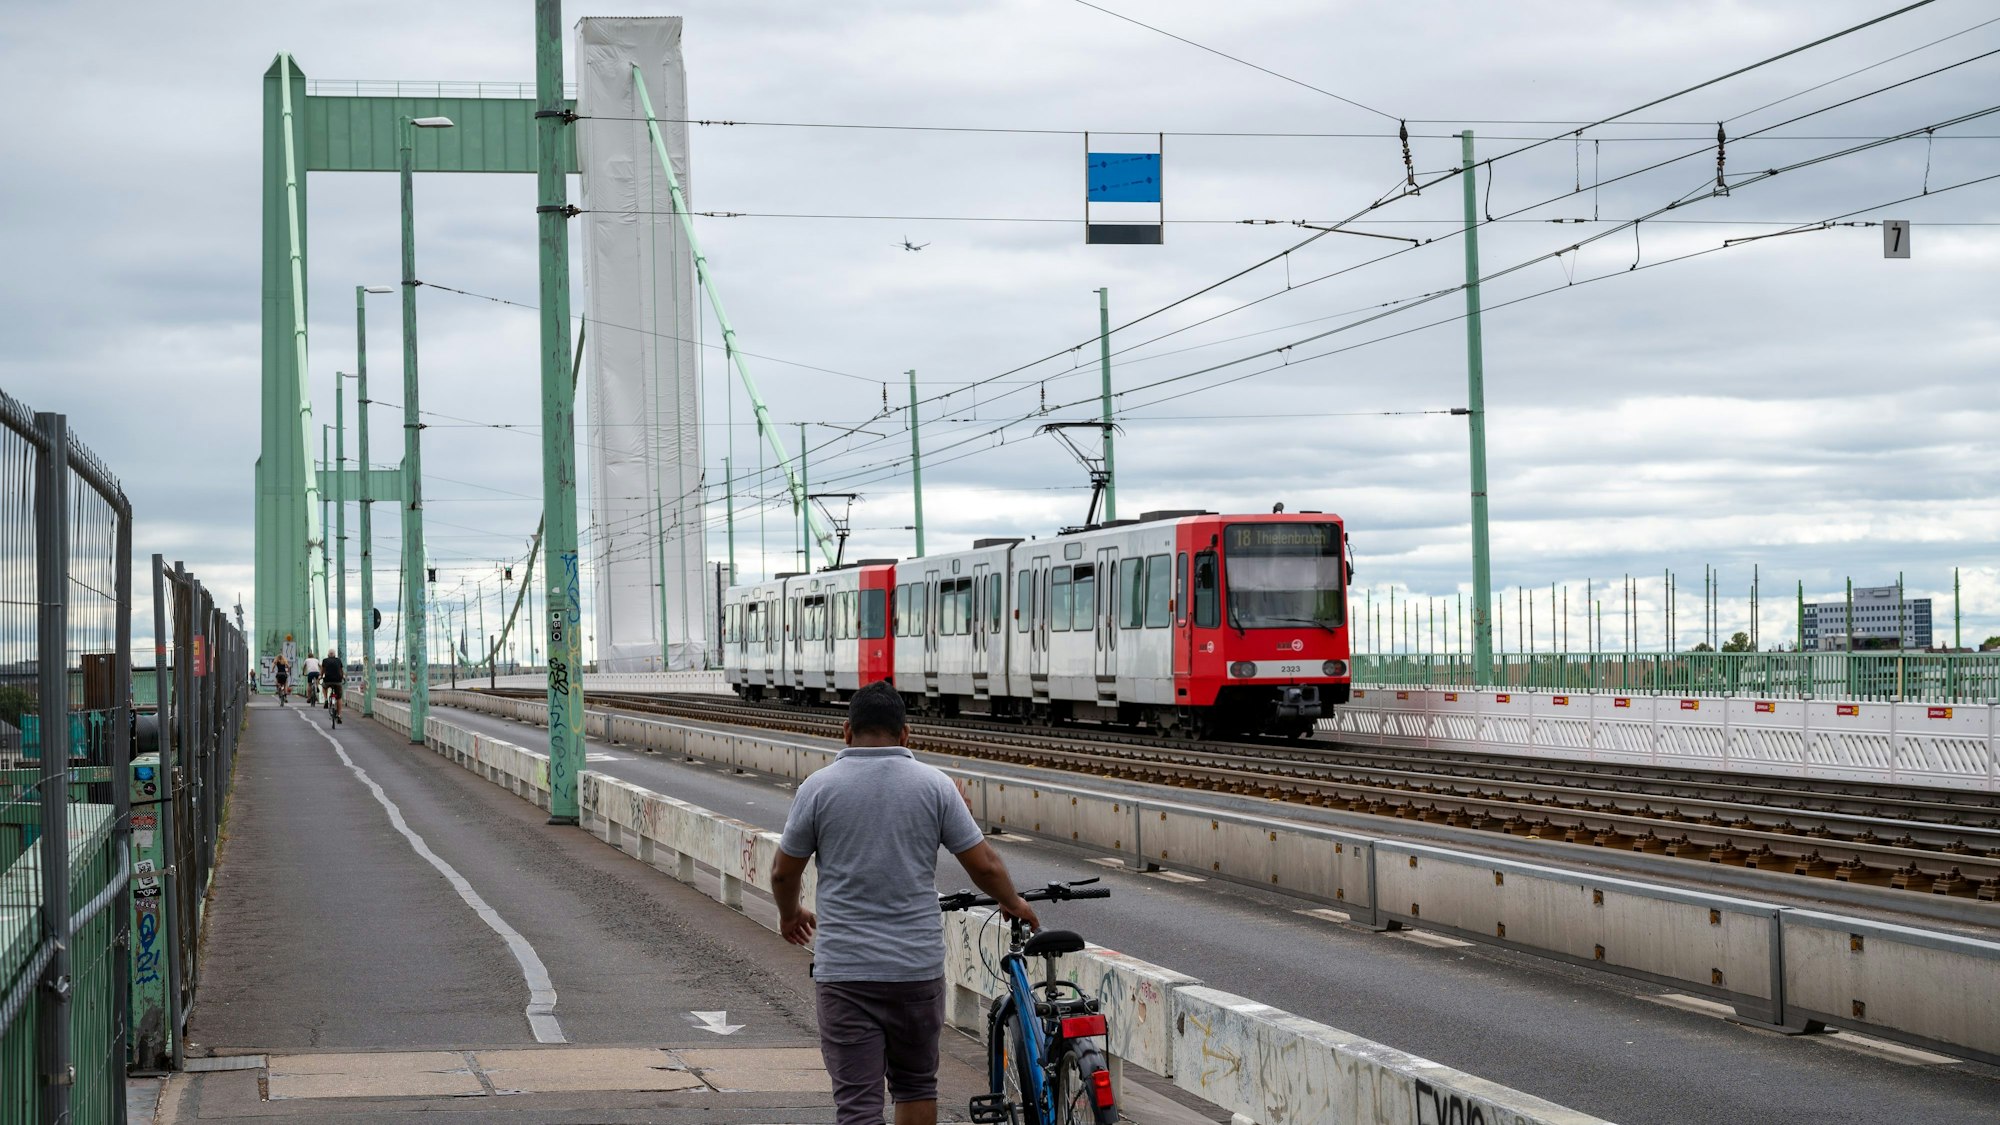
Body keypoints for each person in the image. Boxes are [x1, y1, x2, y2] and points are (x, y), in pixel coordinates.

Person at [772, 681, 1038, 1125]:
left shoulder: (817, 789)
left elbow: (784, 872)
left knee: (858, 1105)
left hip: (846, 973)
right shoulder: (935, 786)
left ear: (846, 732)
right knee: (916, 1087)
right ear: (905, 735)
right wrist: (1011, 901)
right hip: (916, 968)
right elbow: (985, 864)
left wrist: (789, 914)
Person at [321, 649, 345, 725]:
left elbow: (323, 671)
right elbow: (341, 671)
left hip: (328, 680)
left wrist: (320, 677)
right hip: (338, 681)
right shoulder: (338, 660)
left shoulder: (325, 660)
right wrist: (343, 677)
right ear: (335, 655)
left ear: (328, 655)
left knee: (324, 687)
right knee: (339, 698)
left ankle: (325, 700)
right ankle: (339, 715)